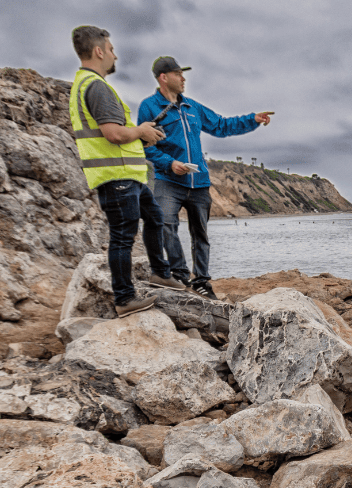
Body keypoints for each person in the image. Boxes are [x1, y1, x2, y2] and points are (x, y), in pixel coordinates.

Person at [69, 26, 186, 318]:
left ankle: (160, 272)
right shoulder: (96, 86)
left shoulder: (86, 84)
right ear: (99, 51)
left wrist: (142, 134)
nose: (114, 55)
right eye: (110, 49)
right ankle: (124, 298)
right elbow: (113, 134)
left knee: (155, 217)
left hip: (127, 176)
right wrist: (142, 130)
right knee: (123, 236)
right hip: (116, 176)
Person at [137, 57, 272, 300]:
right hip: (169, 181)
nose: (183, 78)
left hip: (199, 183)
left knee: (200, 234)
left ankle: (201, 281)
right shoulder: (149, 107)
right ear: (164, 77)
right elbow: (145, 145)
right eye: (178, 74)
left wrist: (253, 119)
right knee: (165, 224)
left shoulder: (192, 107)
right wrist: (170, 163)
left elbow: (221, 125)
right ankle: (179, 274)